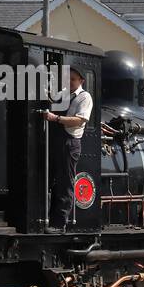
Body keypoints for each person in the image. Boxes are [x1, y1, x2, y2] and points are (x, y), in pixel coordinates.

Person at [45, 66, 93, 231]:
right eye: (68, 79)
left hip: (70, 142)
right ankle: (47, 218)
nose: (70, 82)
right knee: (49, 180)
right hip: (56, 141)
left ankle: (59, 224)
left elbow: (79, 120)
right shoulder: (62, 96)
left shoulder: (84, 97)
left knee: (65, 182)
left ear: (81, 81)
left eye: (73, 79)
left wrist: (56, 118)